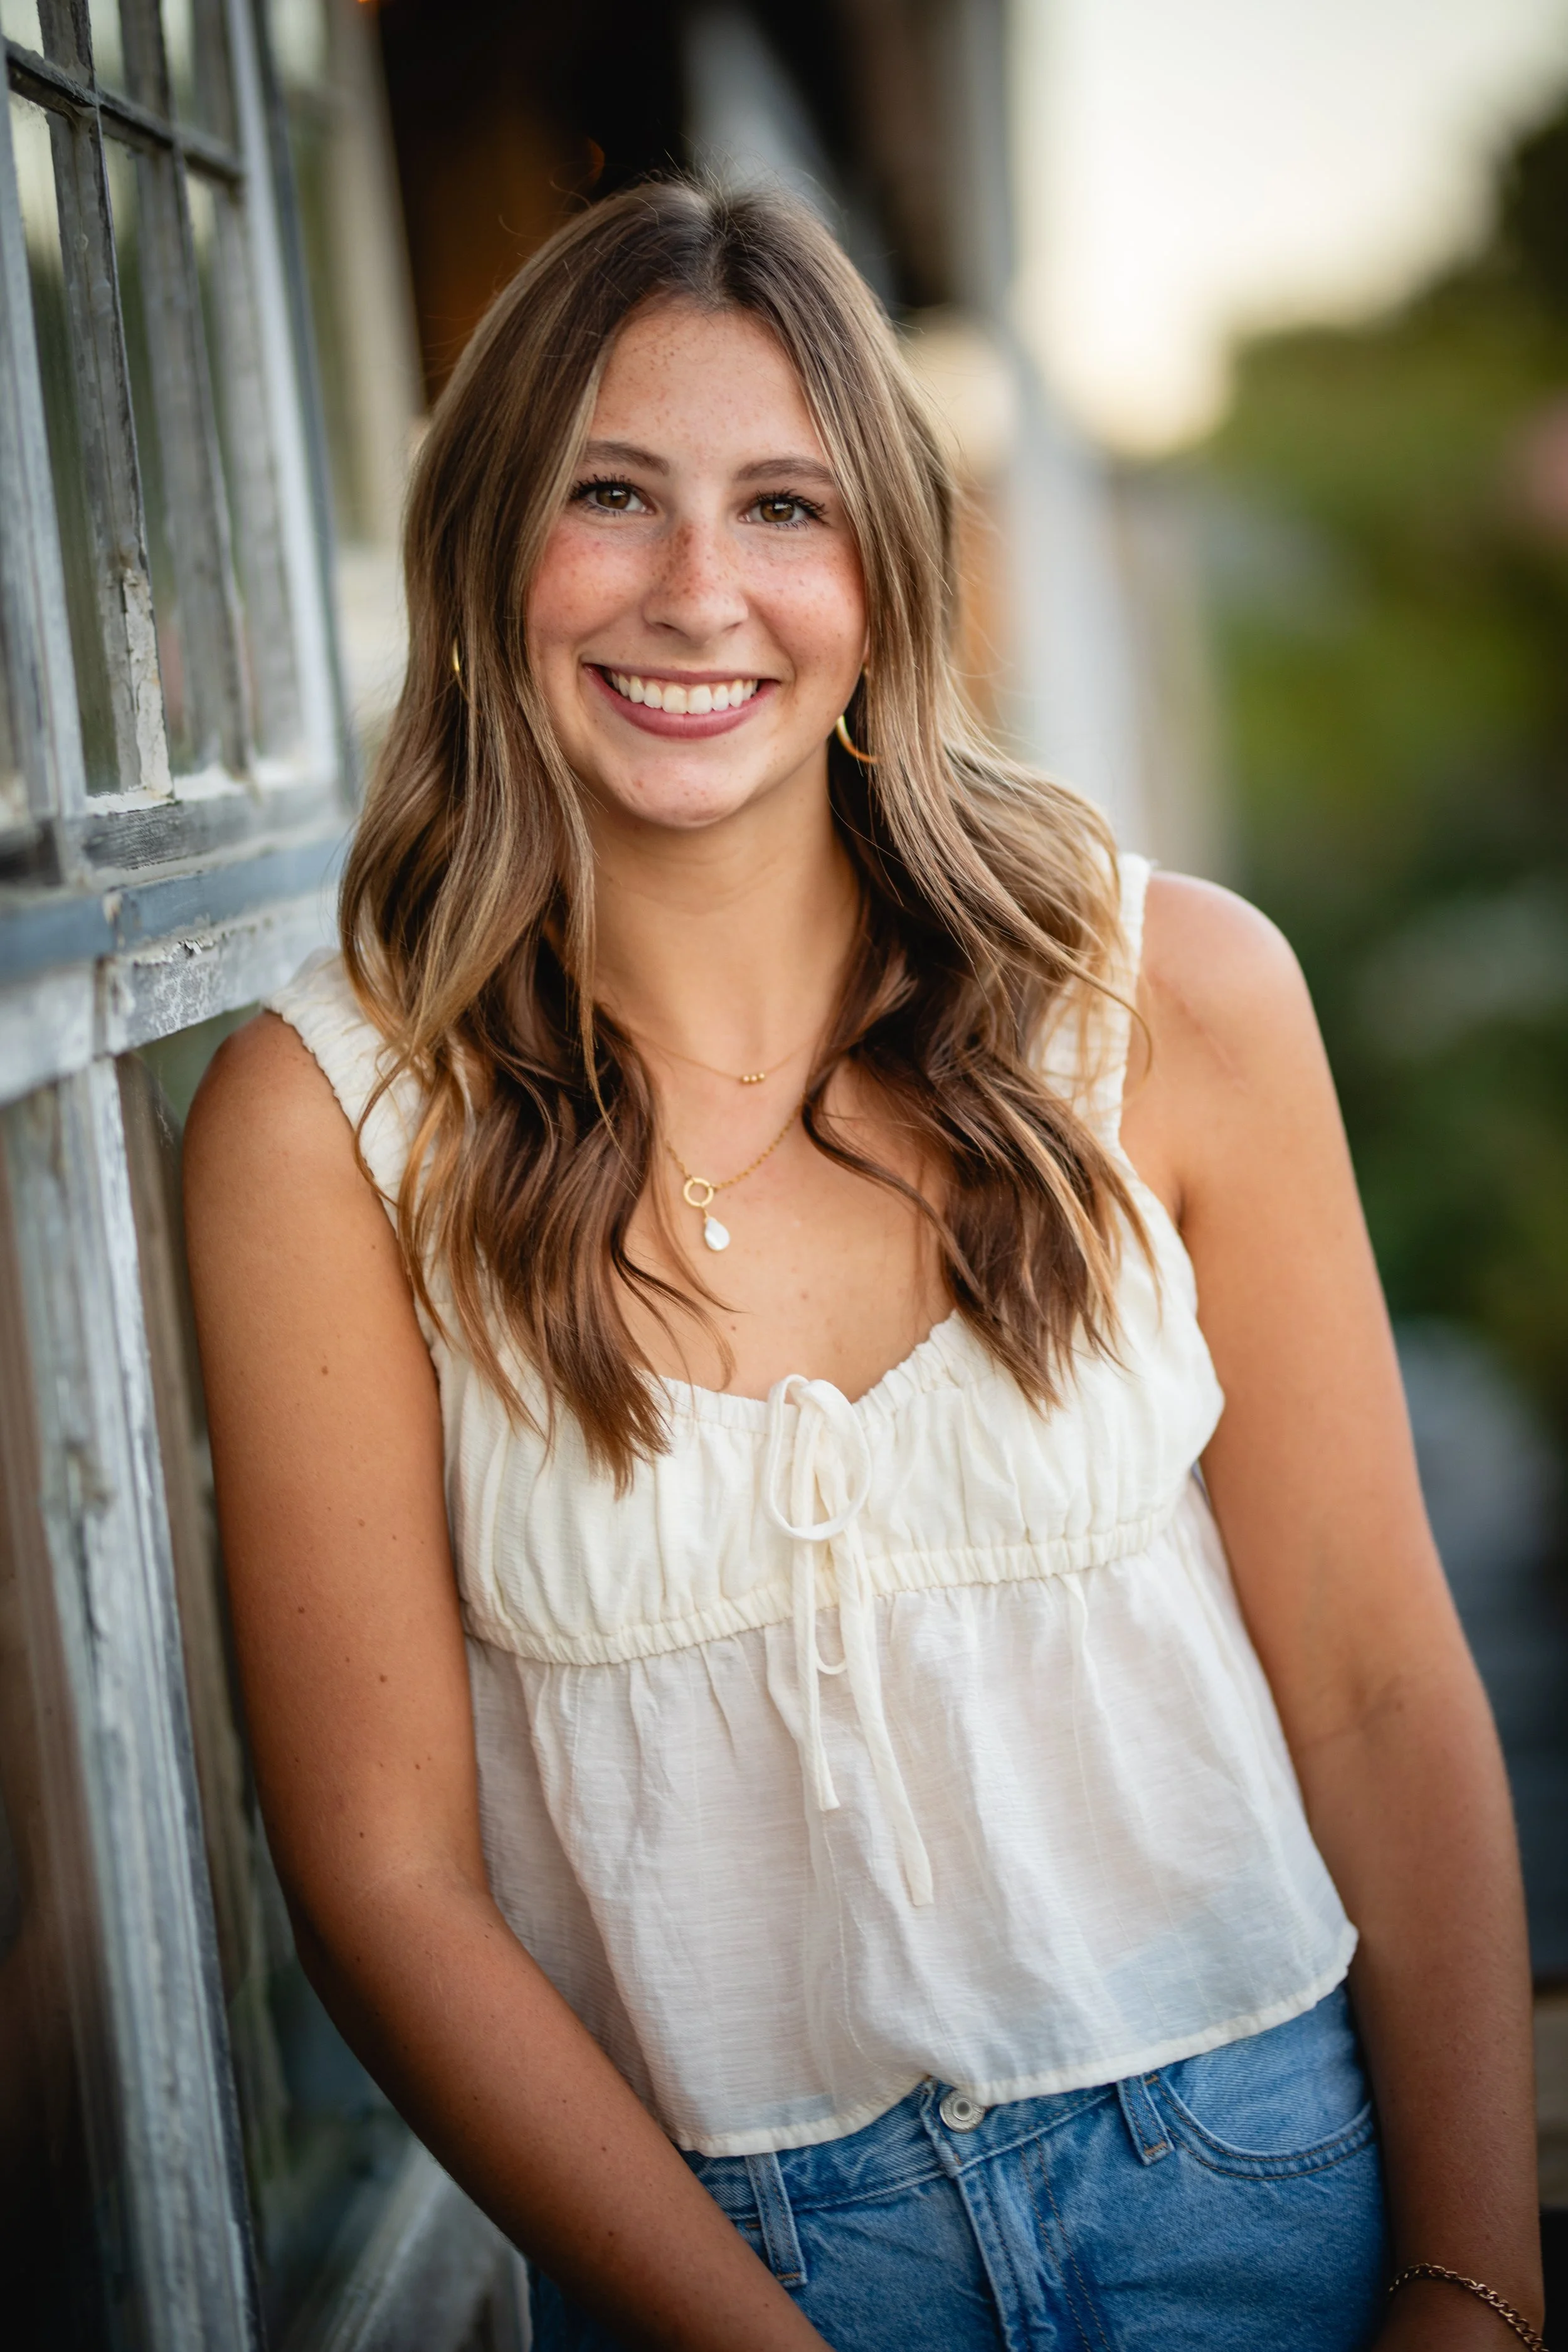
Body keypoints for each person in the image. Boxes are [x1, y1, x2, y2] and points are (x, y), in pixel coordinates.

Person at [184, 179, 1543, 2351]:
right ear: (480, 560)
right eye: (607, 494)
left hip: (1256, 2174)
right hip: (713, 2256)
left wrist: (1472, 2283)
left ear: (883, 579)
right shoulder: (331, 1131)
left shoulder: (1166, 998)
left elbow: (1379, 1679)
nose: (696, 590)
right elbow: (383, 1881)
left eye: (785, 507)